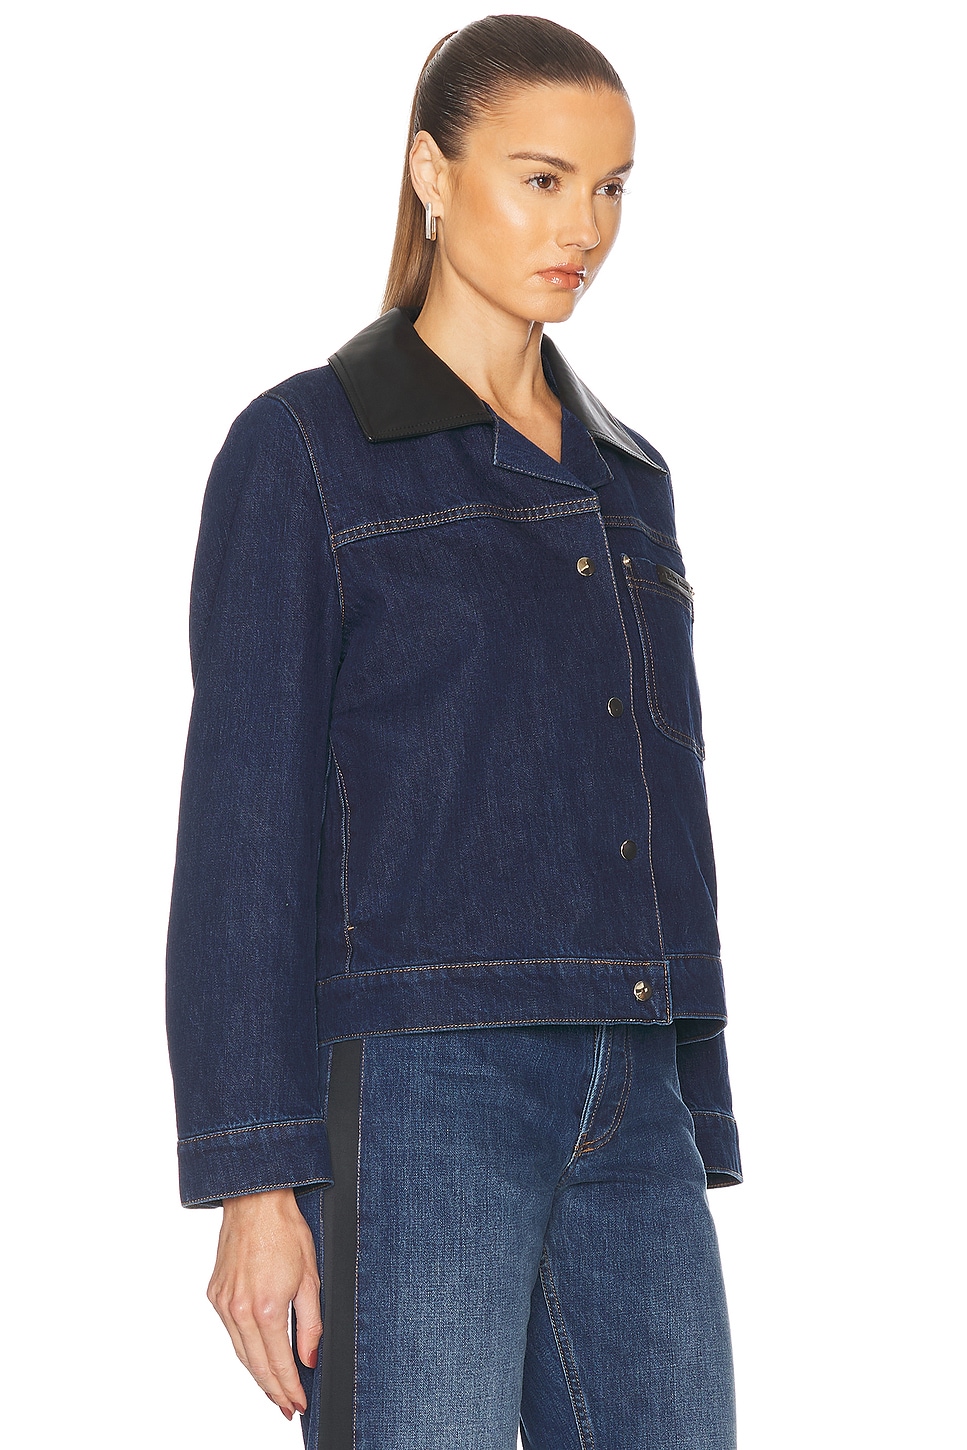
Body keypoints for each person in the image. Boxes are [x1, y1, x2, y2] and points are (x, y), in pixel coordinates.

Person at [165, 15, 743, 1449]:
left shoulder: (630, 477)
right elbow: (244, 822)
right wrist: (253, 1177)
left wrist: (696, 1092)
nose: (583, 228)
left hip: (634, 1081)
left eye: (611, 188)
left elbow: (666, 800)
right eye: (542, 180)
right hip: (421, 1083)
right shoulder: (309, 448)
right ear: (432, 171)